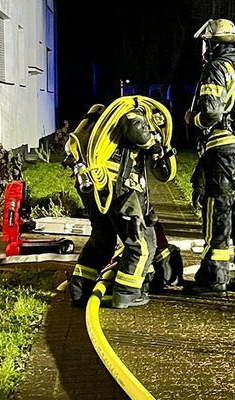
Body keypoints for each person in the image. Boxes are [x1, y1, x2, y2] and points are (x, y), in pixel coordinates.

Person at [184, 19, 235, 296]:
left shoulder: (217, 68)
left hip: (223, 151)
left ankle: (214, 279)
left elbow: (212, 114)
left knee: (218, 211)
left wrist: (193, 119)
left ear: (212, 44)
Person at [67, 97, 168, 308]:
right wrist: (154, 143)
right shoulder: (132, 112)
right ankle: (127, 293)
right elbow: (135, 129)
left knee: (102, 240)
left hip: (95, 184)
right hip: (119, 188)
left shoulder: (106, 122)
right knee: (142, 243)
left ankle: (79, 290)